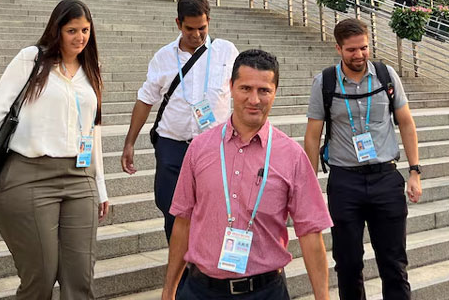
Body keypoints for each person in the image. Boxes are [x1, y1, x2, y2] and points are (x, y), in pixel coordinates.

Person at [0, 0, 109, 300]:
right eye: (71, 30)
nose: (80, 37)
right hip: (28, 176)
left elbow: (93, 131)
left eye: (85, 30)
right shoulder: (32, 60)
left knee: (80, 277)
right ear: (56, 30)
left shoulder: (91, 69)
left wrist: (101, 187)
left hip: (79, 177)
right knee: (40, 277)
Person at [161, 49, 332, 300]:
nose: (254, 99)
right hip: (201, 291)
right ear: (231, 87)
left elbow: (310, 232)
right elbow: (183, 222)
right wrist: (169, 290)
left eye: (264, 90)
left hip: (265, 291)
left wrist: (322, 297)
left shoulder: (292, 156)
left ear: (275, 92)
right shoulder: (200, 148)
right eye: (245, 88)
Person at [303, 18, 421, 300]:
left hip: (385, 178)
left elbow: (406, 122)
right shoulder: (325, 82)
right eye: (351, 50)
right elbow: (311, 136)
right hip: (345, 182)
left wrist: (414, 172)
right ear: (338, 48)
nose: (359, 55)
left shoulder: (386, 75)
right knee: (348, 264)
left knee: (394, 263)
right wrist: (309, 186)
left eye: (364, 48)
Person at [121, 0, 239, 241]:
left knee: (215, 210)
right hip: (173, 147)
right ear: (178, 23)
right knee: (172, 211)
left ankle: (205, 271)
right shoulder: (163, 57)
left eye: (202, 28)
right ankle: (181, 274)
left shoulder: (226, 52)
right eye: (190, 29)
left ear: (209, 22)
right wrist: (129, 142)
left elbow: (243, 93)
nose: (196, 35)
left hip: (214, 147)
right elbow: (145, 100)